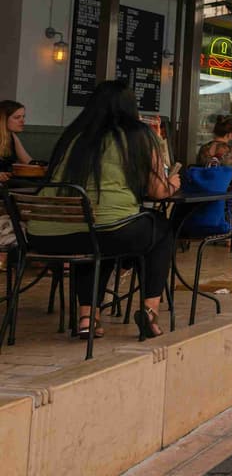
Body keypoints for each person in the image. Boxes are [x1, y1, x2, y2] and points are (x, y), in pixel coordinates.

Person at [29, 80, 177, 340]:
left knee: (95, 237)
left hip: (45, 235)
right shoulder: (140, 134)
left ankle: (88, 317)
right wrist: (173, 183)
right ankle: (149, 312)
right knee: (161, 230)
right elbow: (157, 191)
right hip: (105, 228)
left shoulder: (74, 135)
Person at [0, 100, 32, 184]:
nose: (22, 121)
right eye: (17, 117)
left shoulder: (12, 136)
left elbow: (28, 161)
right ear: (3, 119)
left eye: (23, 117)